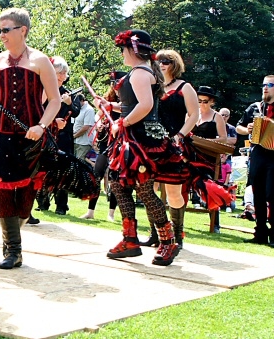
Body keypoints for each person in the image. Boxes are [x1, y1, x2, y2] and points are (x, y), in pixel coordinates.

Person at [0, 7, 61, 271]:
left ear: (22, 30)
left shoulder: (40, 61)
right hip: (0, 135)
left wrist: (41, 125)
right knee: (3, 188)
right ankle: (13, 249)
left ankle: (13, 239)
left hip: (31, 136)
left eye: (6, 30)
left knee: (26, 193)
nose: (1, 35)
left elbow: (55, 100)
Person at [94, 29, 179, 266]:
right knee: (119, 186)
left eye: (123, 49)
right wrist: (111, 106)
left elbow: (145, 105)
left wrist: (121, 122)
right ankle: (130, 239)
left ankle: (168, 241)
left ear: (132, 49)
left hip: (140, 141)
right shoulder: (141, 72)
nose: (121, 54)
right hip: (133, 140)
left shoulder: (140, 74)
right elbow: (134, 106)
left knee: (144, 190)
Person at [139, 49, 199, 249]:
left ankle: (178, 235)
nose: (162, 64)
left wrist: (180, 136)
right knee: (148, 190)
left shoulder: (185, 87)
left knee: (173, 192)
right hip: (152, 144)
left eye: (167, 61)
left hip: (174, 145)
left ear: (175, 64)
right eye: (158, 61)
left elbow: (193, 115)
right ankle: (157, 234)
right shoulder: (152, 86)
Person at [36, 56, 80, 215]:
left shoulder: (68, 93)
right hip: (47, 134)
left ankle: (61, 205)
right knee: (44, 168)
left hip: (64, 137)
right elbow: (38, 111)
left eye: (64, 74)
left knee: (64, 170)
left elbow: (76, 111)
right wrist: (53, 120)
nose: (62, 77)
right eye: (59, 73)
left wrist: (68, 102)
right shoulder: (43, 90)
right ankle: (42, 202)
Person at [80, 71, 124, 221]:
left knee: (115, 178)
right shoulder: (108, 99)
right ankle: (90, 211)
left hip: (120, 141)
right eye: (113, 83)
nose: (114, 86)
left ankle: (111, 213)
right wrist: (99, 124)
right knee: (97, 174)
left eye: (117, 83)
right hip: (106, 141)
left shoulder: (128, 100)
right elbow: (98, 115)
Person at [236, 75, 274, 246]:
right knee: (257, 192)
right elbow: (239, 127)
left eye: (270, 85)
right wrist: (248, 129)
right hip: (258, 152)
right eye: (264, 85)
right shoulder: (255, 108)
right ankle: (260, 232)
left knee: (272, 193)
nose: (265, 88)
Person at [191, 85, 227, 232]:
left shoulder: (216, 116)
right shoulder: (192, 114)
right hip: (191, 154)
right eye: (199, 101)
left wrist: (209, 142)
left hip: (208, 157)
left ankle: (215, 223)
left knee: (209, 187)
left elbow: (224, 138)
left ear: (211, 101)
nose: (201, 104)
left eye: (205, 101)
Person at [73, 94, 96, 161]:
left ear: (82, 100)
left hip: (84, 143)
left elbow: (86, 127)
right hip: (76, 142)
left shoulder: (89, 110)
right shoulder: (78, 110)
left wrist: (74, 136)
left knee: (80, 164)